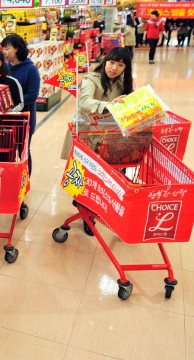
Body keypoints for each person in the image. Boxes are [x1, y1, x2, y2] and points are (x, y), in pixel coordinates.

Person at [61, 48, 133, 235]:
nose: (114, 68)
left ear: (125, 67)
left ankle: (89, 205)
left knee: (101, 174)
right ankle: (88, 214)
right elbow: (85, 101)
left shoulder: (122, 83)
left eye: (120, 64)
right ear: (105, 60)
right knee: (87, 173)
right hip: (86, 131)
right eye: (111, 62)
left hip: (107, 134)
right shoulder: (91, 78)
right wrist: (109, 105)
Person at [1, 34, 40, 177]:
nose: (4, 52)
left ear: (17, 49)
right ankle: (9, 177)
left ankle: (25, 180)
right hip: (7, 117)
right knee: (6, 148)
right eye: (3, 49)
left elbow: (32, 95)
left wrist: (11, 102)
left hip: (24, 118)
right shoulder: (4, 68)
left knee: (23, 149)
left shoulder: (31, 70)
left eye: (7, 48)